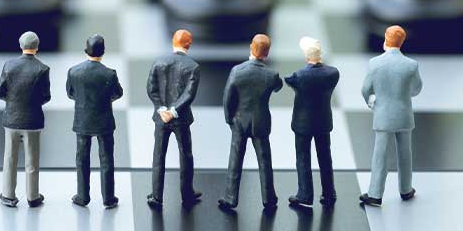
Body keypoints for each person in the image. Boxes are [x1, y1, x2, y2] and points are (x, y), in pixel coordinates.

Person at [218, 34, 283, 213]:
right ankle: (269, 198)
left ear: (250, 47)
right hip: (261, 122)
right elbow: (279, 86)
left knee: (235, 161)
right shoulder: (271, 75)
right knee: (265, 162)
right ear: (267, 53)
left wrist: (229, 118)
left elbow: (227, 98)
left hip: (239, 122)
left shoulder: (237, 71)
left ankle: (230, 198)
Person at [360, 25, 423, 207]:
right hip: (403, 115)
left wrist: (371, 101)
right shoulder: (411, 65)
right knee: (405, 154)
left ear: (386, 39)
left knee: (380, 156)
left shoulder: (374, 63)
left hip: (383, 115)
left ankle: (375, 194)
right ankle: (406, 190)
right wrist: (403, 93)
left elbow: (365, 89)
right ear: (401, 42)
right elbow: (417, 88)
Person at [145, 29, 204, 209]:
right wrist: (174, 110)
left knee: (158, 156)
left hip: (161, 118)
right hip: (181, 119)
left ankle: (157, 196)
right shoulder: (193, 66)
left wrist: (162, 109)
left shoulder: (159, 61)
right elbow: (189, 94)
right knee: (186, 155)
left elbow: (151, 88)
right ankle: (187, 194)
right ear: (189, 44)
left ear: (173, 41)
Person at [66, 34, 124, 208]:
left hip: (82, 121)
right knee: (107, 160)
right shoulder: (109, 73)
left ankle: (83, 197)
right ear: (103, 52)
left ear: (86, 51)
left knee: (82, 160)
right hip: (104, 121)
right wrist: (104, 101)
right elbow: (118, 93)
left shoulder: (74, 71)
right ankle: (109, 198)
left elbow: (70, 93)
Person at [0, 31, 51, 208]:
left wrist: (13, 102)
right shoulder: (43, 69)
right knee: (32, 161)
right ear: (37, 47)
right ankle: (33, 197)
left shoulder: (9, 66)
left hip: (11, 119)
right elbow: (46, 97)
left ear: (20, 46)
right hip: (32, 121)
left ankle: (7, 195)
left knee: (9, 159)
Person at [284, 36, 340, 208]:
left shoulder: (299, 76)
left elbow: (288, 79)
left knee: (303, 158)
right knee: (325, 158)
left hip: (303, 124)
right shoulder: (333, 73)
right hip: (323, 122)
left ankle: (305, 194)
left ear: (306, 55)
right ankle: (329, 193)